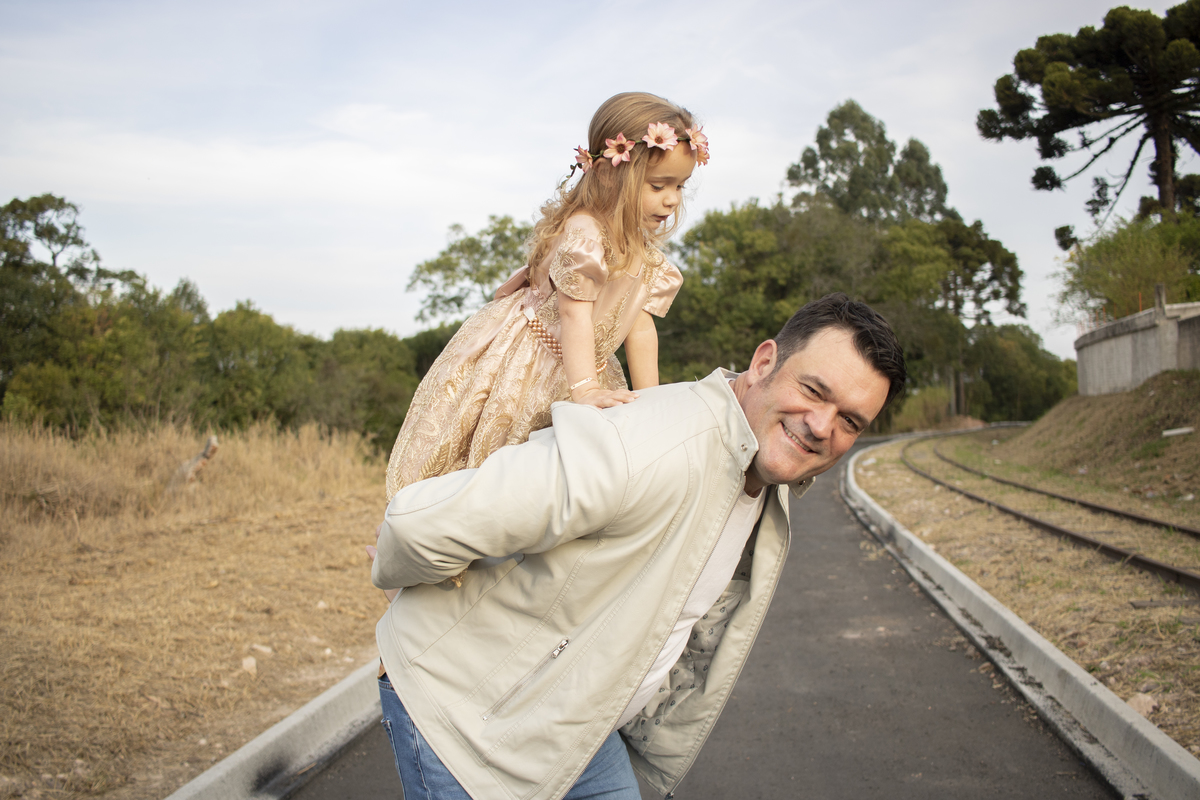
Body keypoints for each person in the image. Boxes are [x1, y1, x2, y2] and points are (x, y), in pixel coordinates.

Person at [367, 293, 907, 800]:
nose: (821, 427)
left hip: (579, 734)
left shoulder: (763, 476)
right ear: (764, 362)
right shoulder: (647, 443)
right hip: (465, 726)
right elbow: (417, 527)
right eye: (814, 391)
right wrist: (412, 598)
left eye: (849, 421)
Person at [384, 92, 709, 511]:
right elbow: (574, 316)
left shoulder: (643, 254)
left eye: (680, 186)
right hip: (533, 361)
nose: (672, 199)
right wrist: (585, 390)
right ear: (608, 174)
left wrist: (651, 402)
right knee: (499, 468)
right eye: (658, 185)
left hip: (586, 365)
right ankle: (425, 525)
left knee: (569, 486)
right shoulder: (585, 235)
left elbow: (640, 328)